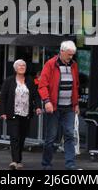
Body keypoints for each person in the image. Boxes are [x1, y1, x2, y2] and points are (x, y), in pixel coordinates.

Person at [38, 40, 81, 170]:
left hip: (69, 107)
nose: (71, 57)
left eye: (72, 54)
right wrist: (47, 101)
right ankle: (46, 164)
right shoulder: (50, 64)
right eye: (69, 54)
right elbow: (42, 85)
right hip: (54, 107)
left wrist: (76, 103)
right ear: (62, 51)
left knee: (69, 135)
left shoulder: (74, 65)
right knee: (51, 137)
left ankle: (70, 164)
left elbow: (76, 86)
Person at [0, 59, 42, 170]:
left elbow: (36, 96)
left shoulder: (29, 80)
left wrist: (38, 107)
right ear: (15, 68)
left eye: (24, 65)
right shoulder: (9, 81)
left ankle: (19, 160)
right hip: (12, 113)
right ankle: (14, 161)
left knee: (22, 137)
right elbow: (3, 97)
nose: (22, 67)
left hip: (26, 113)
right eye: (20, 66)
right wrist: (2, 112)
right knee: (14, 136)